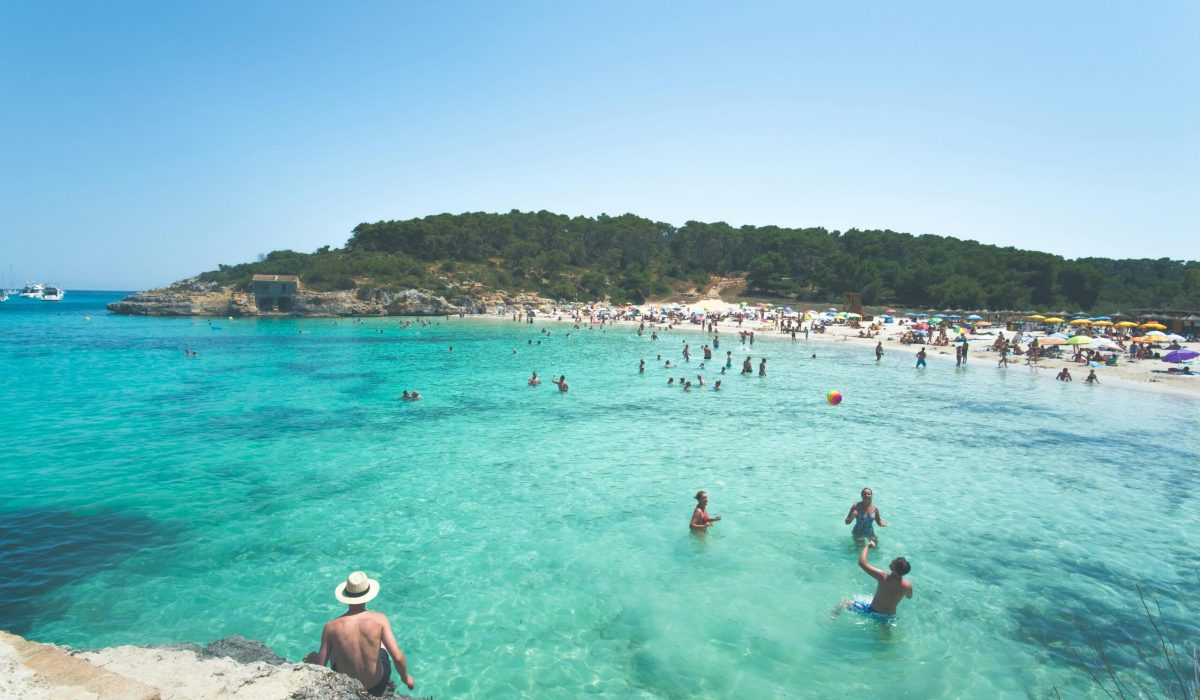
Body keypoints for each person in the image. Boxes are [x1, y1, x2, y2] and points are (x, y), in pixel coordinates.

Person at [305, 571, 415, 695]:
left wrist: (315, 659)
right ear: (367, 595)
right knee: (380, 644)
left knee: (334, 646)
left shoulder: (331, 627)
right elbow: (398, 658)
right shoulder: (379, 619)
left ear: (346, 596)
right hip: (377, 686)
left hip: (348, 687)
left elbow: (322, 667)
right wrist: (407, 679)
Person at [836, 542, 912, 620]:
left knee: (843, 602)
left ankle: (833, 616)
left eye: (894, 562)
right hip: (889, 616)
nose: (892, 561)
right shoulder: (907, 585)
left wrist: (867, 546)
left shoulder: (883, 577)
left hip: (873, 611)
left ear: (895, 570)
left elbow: (862, 563)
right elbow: (909, 597)